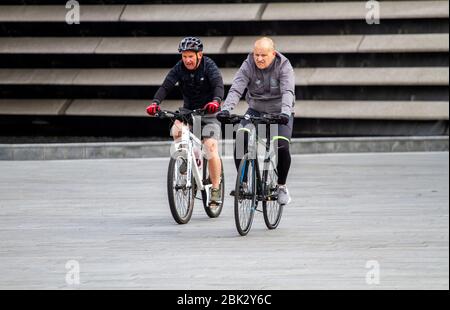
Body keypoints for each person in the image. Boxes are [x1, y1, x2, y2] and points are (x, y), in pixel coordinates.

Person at [146, 37, 224, 207]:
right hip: (188, 111)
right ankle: (187, 160)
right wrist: (155, 103)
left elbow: (218, 85)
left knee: (210, 147)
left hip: (209, 111)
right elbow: (165, 86)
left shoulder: (209, 66)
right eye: (184, 56)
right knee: (176, 130)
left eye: (190, 56)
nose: (187, 60)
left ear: (199, 55)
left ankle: (216, 189)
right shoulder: (179, 68)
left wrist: (216, 101)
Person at [217, 37, 295, 205]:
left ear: (273, 54)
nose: (259, 59)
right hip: (255, 111)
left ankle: (281, 186)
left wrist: (285, 113)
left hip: (279, 113)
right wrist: (226, 109)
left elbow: (288, 91)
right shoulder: (248, 65)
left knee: (281, 146)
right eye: (256, 54)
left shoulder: (284, 66)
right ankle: (243, 183)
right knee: (240, 137)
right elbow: (237, 87)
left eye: (263, 55)